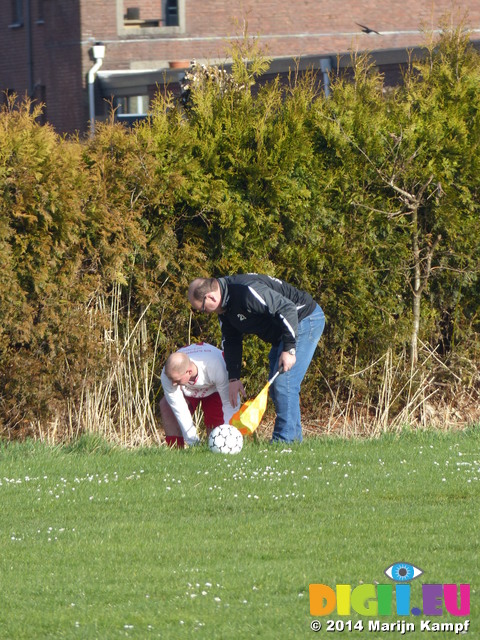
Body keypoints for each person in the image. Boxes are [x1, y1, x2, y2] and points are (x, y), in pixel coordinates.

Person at [188, 274, 325, 443]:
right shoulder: (224, 310)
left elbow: (287, 308)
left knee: (285, 383)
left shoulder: (245, 291)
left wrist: (289, 348)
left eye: (202, 309)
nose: (204, 313)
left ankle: (284, 442)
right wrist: (233, 377)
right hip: (283, 332)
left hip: (303, 319)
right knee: (276, 387)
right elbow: (231, 341)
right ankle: (295, 441)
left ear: (211, 297)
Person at [160, 342, 238, 448]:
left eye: (176, 380)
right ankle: (176, 452)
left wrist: (229, 434)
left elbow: (229, 403)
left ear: (189, 371)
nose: (173, 383)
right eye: (171, 379)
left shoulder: (216, 365)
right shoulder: (168, 374)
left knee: (216, 434)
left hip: (215, 389)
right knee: (166, 405)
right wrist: (193, 443)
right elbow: (180, 410)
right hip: (188, 389)